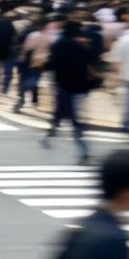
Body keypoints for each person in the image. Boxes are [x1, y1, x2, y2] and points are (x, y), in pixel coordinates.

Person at [43, 18, 96, 161]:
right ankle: (82, 148)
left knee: (64, 113)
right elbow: (90, 64)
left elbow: (51, 64)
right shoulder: (82, 48)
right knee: (71, 116)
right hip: (79, 86)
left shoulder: (58, 45)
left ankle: (52, 136)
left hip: (62, 85)